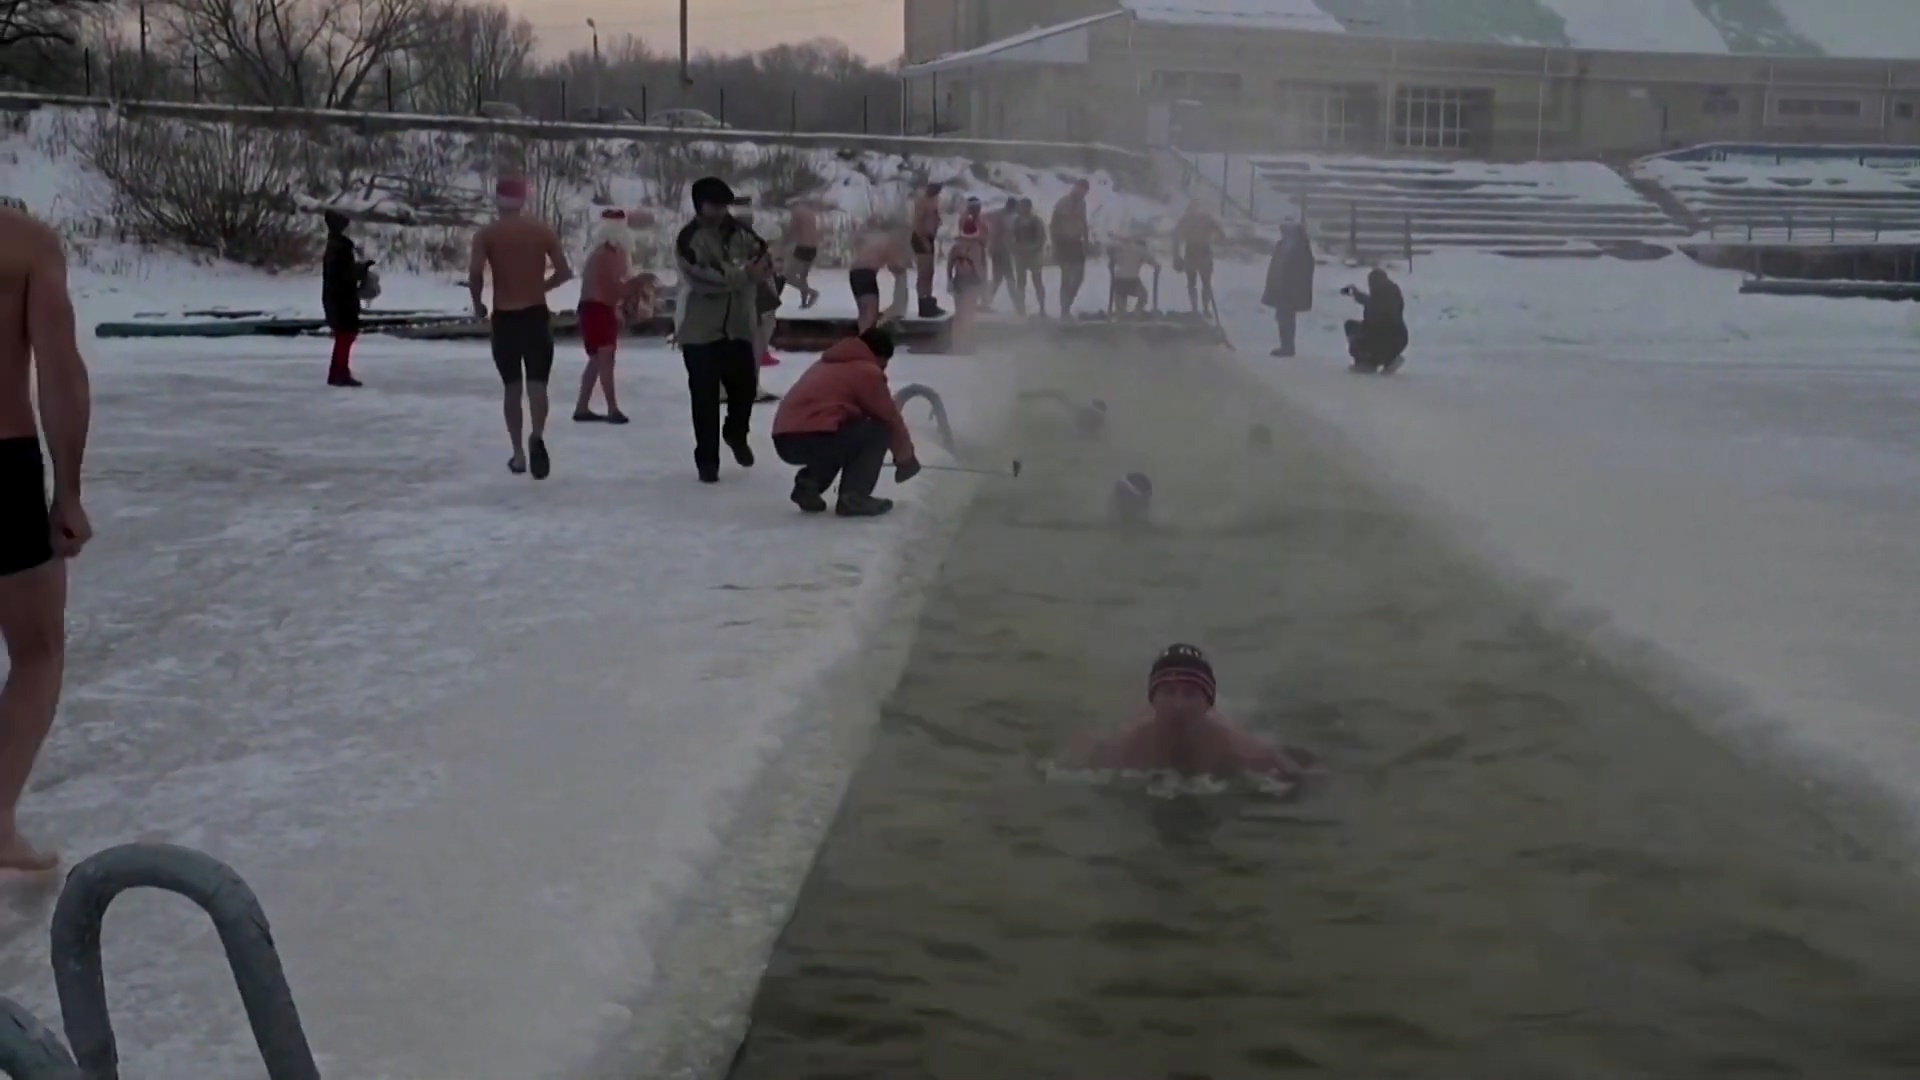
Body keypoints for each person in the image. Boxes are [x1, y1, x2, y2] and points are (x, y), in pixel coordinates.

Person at [0, 205, 92, 870]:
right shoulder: (24, 242)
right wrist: (67, 489)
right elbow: (59, 371)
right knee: (38, 651)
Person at [469, 176, 573, 479]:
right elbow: (565, 272)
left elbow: (475, 274)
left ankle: (517, 454)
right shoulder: (542, 231)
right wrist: (539, 287)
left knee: (512, 387)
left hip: (506, 317)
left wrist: (478, 305)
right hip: (536, 315)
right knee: (538, 384)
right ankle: (537, 435)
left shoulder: (487, 234)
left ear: (497, 200)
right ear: (524, 200)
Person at [1084, 645, 1314, 780]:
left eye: (1190, 694)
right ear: (1153, 699)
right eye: (1169, 692)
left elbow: (1305, 777)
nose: (1179, 705)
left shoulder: (1244, 750)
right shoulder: (1120, 747)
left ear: (1208, 702)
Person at [675, 176, 772, 483]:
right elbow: (705, 279)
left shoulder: (741, 233)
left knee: (744, 389)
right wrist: (744, 274)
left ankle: (736, 432)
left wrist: (753, 272)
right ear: (699, 205)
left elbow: (763, 259)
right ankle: (707, 461)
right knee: (704, 399)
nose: (720, 212)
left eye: (723, 206)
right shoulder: (689, 239)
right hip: (701, 332)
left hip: (739, 327)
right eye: (713, 205)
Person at [770, 326, 920, 518]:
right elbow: (889, 418)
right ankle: (854, 497)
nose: (882, 370)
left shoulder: (827, 364)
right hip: (814, 436)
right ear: (878, 356)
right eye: (883, 365)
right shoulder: (865, 371)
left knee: (844, 436)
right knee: (877, 431)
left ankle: (810, 484)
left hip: (785, 439)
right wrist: (905, 458)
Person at [574, 207, 651, 425]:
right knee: (605, 358)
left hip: (594, 308)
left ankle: (582, 406)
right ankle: (612, 408)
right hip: (598, 308)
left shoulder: (600, 253)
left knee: (597, 360)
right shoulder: (609, 255)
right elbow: (618, 289)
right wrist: (639, 281)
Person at [321, 209, 374, 388]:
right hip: (341, 298)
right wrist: (361, 270)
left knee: (345, 336)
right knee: (345, 336)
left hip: (337, 297)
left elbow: (344, 272)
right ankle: (339, 373)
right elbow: (345, 274)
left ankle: (339, 371)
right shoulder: (339, 248)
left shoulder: (335, 245)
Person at [1261, 221, 1316, 358]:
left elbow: (1306, 269)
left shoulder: (1301, 248)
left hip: (1292, 288)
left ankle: (1288, 346)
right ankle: (1285, 345)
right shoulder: (1282, 245)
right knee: (1282, 317)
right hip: (1280, 286)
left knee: (1287, 317)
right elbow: (1276, 265)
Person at [1341, 267, 1408, 373]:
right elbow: (1371, 301)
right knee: (1364, 332)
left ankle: (1366, 362)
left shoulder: (1379, 300)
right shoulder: (1392, 294)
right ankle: (1390, 359)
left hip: (1381, 339)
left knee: (1352, 328)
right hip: (1400, 338)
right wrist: (1356, 293)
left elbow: (1373, 308)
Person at [850, 216, 907, 332]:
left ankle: (862, 341)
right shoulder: (889, 240)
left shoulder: (872, 237)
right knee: (870, 315)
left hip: (854, 273)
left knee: (863, 313)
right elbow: (896, 266)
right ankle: (866, 344)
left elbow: (858, 245)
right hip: (867, 274)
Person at [1173, 203, 1224, 317]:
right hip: (1202, 252)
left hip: (1192, 251)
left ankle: (1196, 309)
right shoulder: (1206, 218)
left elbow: (1176, 237)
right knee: (1205, 283)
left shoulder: (1186, 219)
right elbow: (1220, 234)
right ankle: (1203, 309)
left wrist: (1176, 255)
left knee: (1193, 283)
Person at [1049, 179, 1091, 318]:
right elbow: (1053, 225)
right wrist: (1054, 245)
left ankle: (1067, 304)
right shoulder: (1062, 203)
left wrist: (1086, 241)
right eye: (1081, 190)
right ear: (1076, 188)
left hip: (1076, 244)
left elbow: (1084, 224)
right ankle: (1064, 310)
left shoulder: (1082, 204)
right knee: (1066, 277)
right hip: (1063, 243)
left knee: (1079, 277)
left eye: (1085, 192)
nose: (1083, 194)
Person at [946, 214, 987, 352]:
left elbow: (949, 265)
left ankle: (956, 344)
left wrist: (949, 280)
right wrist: (984, 283)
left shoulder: (956, 246)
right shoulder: (976, 247)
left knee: (959, 315)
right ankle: (966, 345)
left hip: (958, 281)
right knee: (969, 314)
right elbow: (978, 267)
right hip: (971, 282)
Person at [910, 182, 945, 319]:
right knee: (924, 272)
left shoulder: (934, 201)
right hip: (921, 237)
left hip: (929, 237)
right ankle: (923, 303)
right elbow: (917, 222)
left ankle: (928, 300)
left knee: (930, 272)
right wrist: (923, 240)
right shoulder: (922, 202)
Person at [1010, 198, 1048, 317]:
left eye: (1023, 206)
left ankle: (1042, 309)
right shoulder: (1016, 221)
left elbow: (1042, 238)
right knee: (1021, 282)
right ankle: (1021, 309)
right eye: (1021, 206)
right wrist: (1016, 248)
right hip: (1021, 254)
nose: (1021, 209)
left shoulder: (1036, 221)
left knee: (1037, 281)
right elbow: (1011, 237)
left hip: (1033, 254)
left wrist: (1032, 249)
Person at [981, 197, 1017, 312]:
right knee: (1008, 278)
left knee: (998, 278)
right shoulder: (1003, 217)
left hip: (999, 250)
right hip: (1000, 251)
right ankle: (1018, 305)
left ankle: (985, 302)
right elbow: (996, 233)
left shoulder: (1001, 215)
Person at [1106, 232, 1155, 316]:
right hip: (1132, 281)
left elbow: (1112, 260)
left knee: (1120, 308)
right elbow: (1154, 263)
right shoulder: (1141, 250)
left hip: (1119, 281)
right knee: (1143, 296)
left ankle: (1122, 317)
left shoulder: (1123, 249)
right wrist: (1156, 267)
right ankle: (1136, 314)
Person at [785, 197, 822, 309]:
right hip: (813, 248)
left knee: (788, 276)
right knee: (802, 277)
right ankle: (804, 303)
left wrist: (783, 240)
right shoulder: (810, 213)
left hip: (802, 248)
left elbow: (792, 229)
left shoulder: (797, 212)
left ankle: (812, 293)